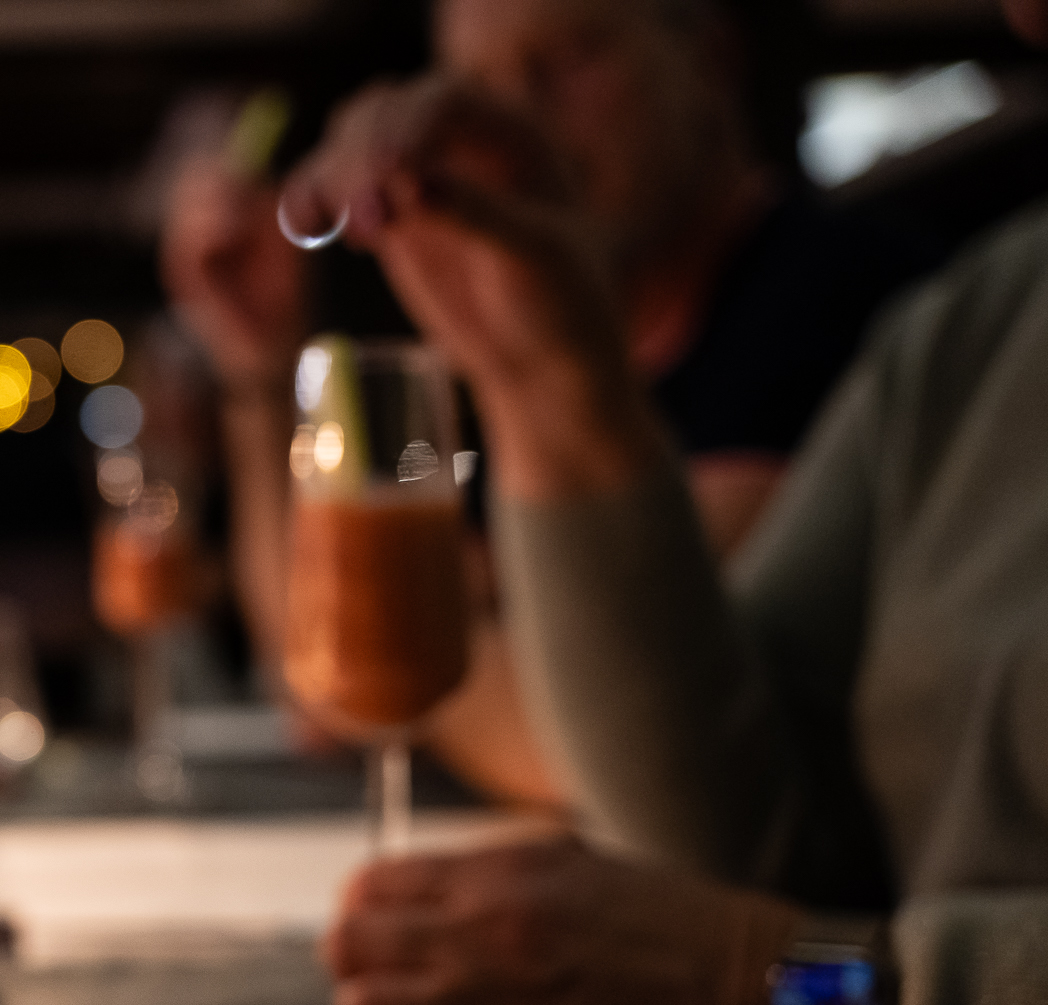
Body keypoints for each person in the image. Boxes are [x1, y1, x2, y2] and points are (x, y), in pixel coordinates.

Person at [288, 0, 1048, 1005]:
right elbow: (731, 837)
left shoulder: (840, 295)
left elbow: (734, 968)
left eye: (570, 54)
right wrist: (544, 376)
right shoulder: (976, 328)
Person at [161, 0, 937, 806]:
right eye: (476, 85)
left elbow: (621, 732)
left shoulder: (848, 310)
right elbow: (312, 655)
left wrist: (391, 651)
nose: (515, 116)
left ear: (710, 62)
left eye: (566, 58)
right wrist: (259, 364)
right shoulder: (524, 344)